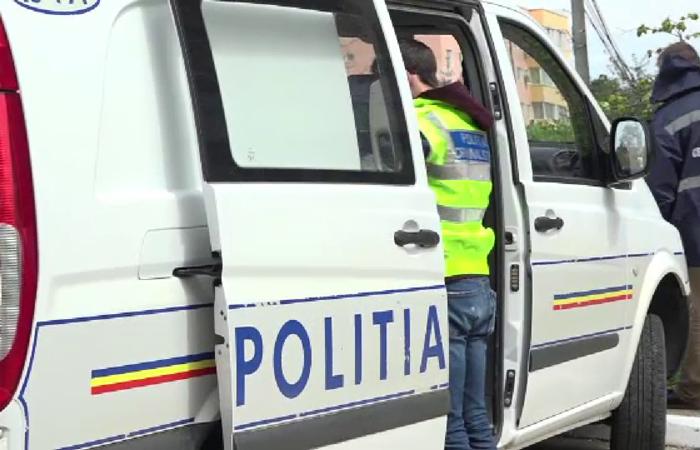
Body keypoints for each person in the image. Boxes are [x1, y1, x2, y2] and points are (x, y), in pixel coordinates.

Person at [398, 39, 496, 450]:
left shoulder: (421, 123)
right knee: (477, 416)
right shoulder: (466, 122)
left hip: (444, 271)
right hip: (477, 275)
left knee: (451, 421)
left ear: (407, 77)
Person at [647, 41, 700, 409]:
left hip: (694, 227)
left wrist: (659, 229)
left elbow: (660, 186)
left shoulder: (670, 116)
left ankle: (693, 389)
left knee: (696, 310)